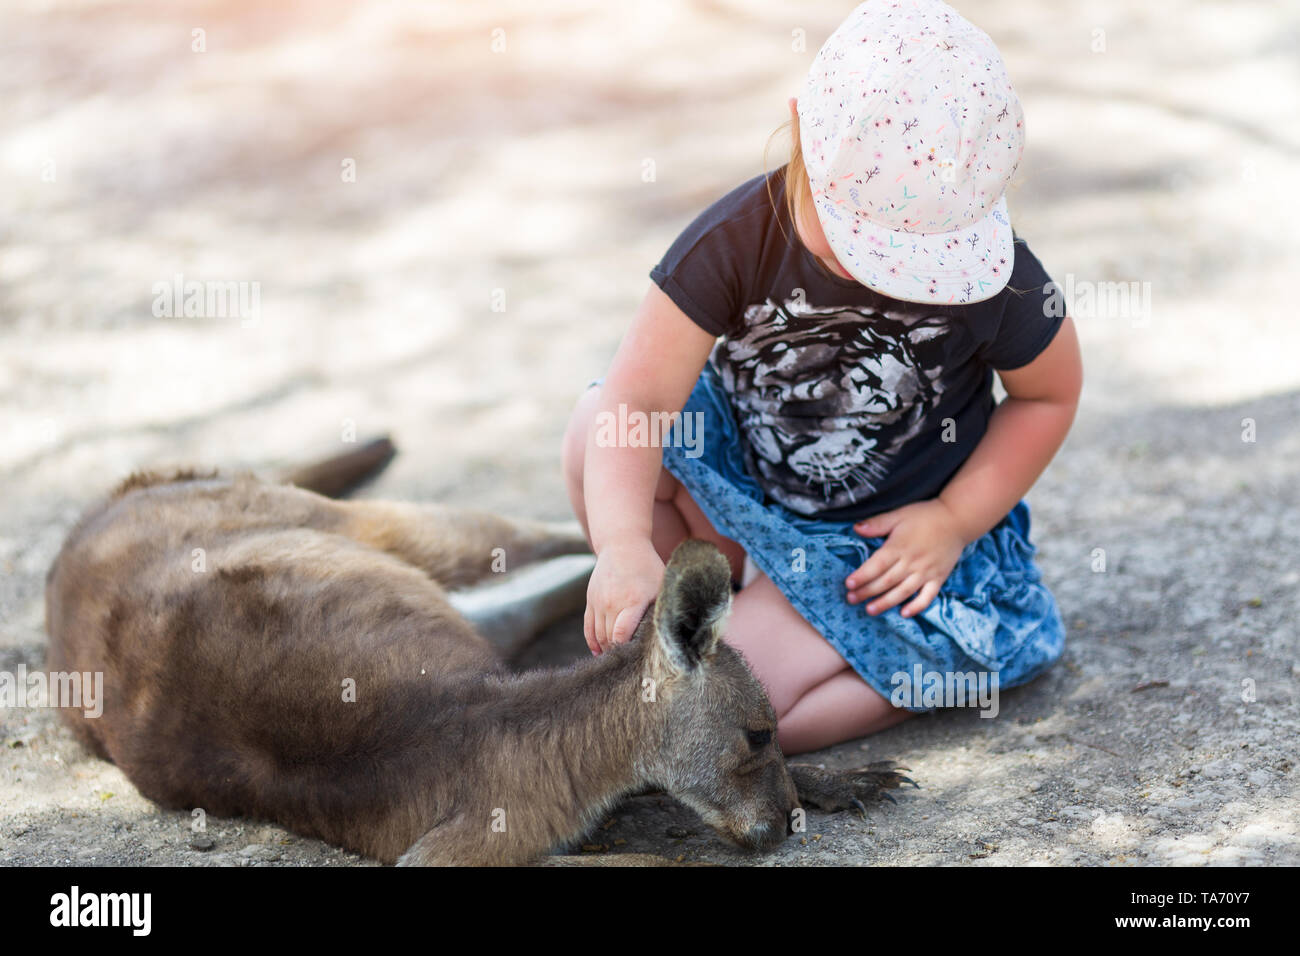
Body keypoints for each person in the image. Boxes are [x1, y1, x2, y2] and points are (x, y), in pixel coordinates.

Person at [561, 0, 1081, 755]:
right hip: (757, 504)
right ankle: (729, 598)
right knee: (593, 434)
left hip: (885, 554)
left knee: (739, 721)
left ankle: (895, 673)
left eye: (916, 262)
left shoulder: (1002, 283)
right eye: (856, 247)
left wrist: (956, 519)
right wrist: (621, 545)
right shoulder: (733, 241)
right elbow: (636, 402)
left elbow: (1050, 394)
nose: (883, 277)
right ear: (801, 131)